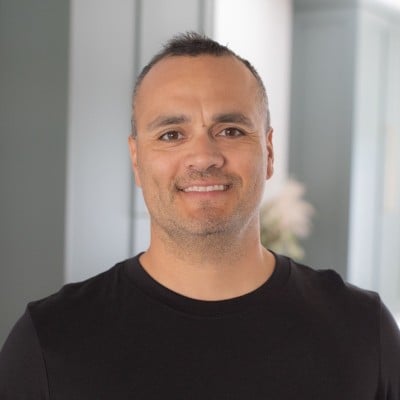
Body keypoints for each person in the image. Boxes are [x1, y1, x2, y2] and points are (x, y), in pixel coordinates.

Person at [0, 32, 399, 399]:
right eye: (171, 135)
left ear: (269, 151)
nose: (204, 157)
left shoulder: (363, 330)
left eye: (231, 130)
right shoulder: (49, 340)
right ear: (137, 160)